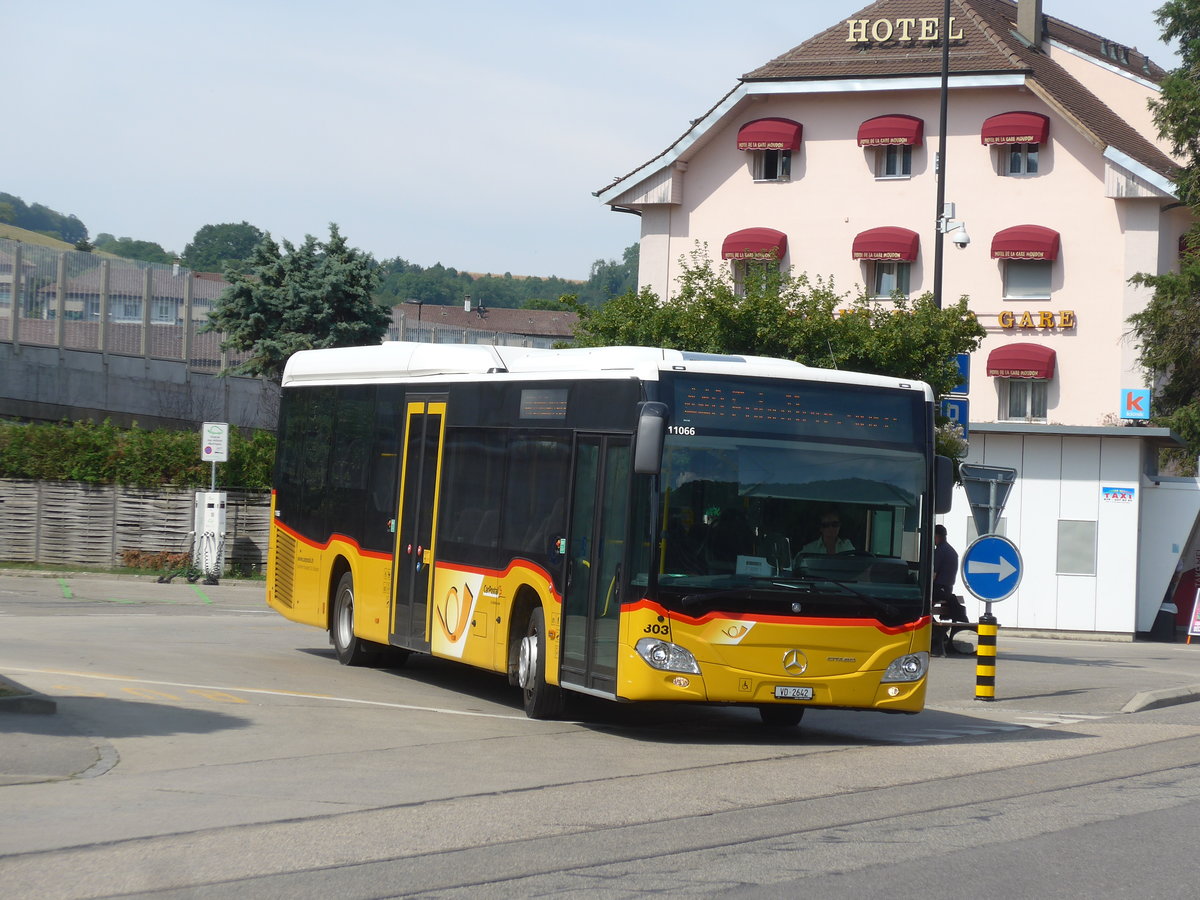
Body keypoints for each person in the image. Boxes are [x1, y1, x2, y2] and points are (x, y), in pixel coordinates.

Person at [932, 524, 966, 622]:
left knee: (920, 602)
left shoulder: (940, 551)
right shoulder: (951, 551)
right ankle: (937, 629)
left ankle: (936, 630)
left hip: (939, 590)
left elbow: (934, 573)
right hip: (947, 590)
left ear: (937, 536)